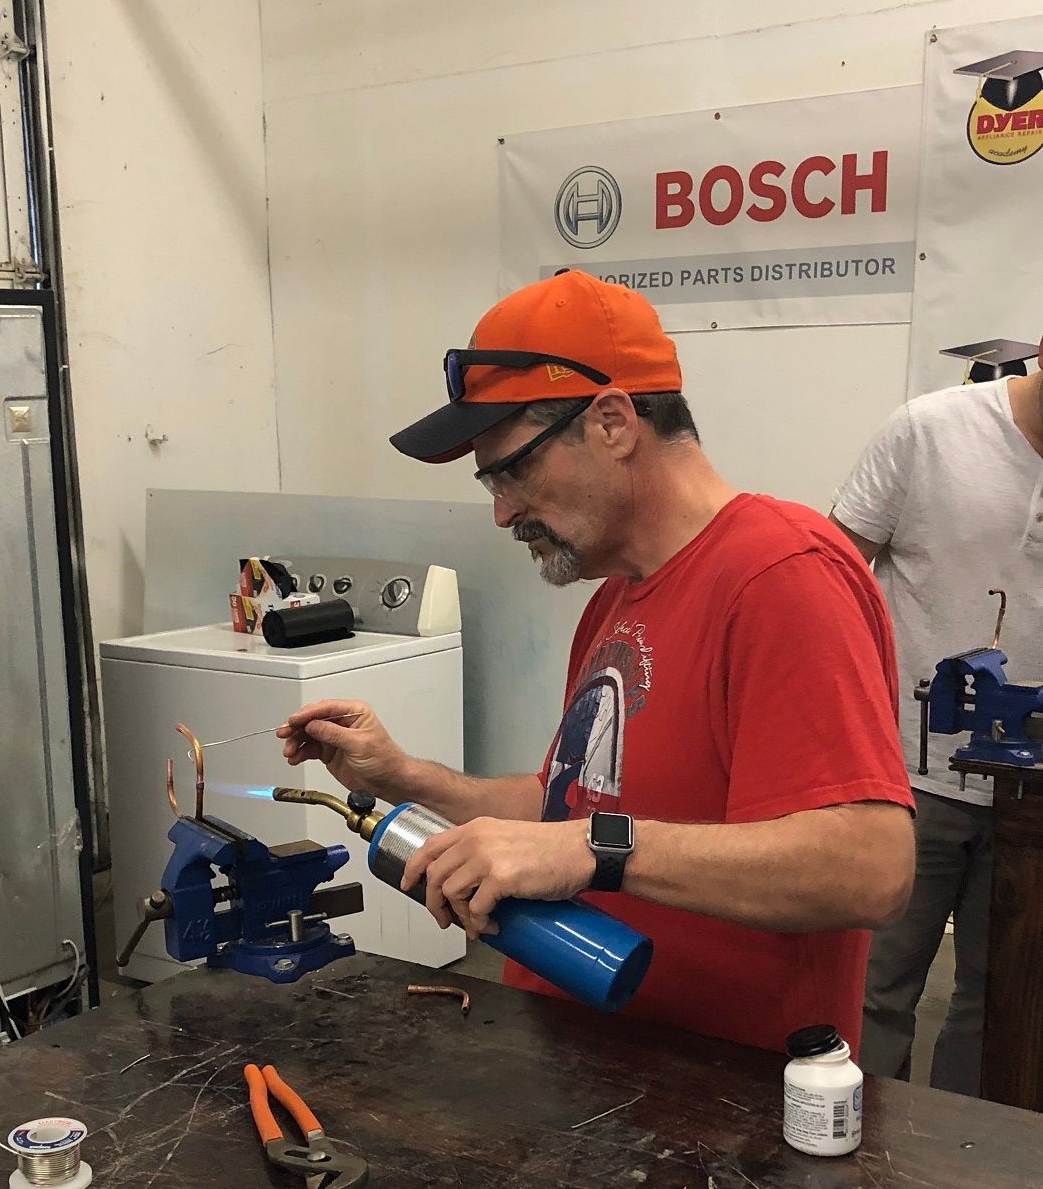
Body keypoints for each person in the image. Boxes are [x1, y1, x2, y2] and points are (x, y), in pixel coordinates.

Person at [278, 272, 915, 1054]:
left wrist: (592, 850)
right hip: (588, 1072)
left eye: (513, 469)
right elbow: (570, 810)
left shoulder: (780, 575)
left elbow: (870, 865)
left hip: (720, 1106)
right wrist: (405, 777)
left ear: (613, 421)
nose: (502, 510)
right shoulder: (613, 600)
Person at [831, 338, 1043, 1093]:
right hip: (906, 784)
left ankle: (962, 1175)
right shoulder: (930, 433)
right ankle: (850, 1162)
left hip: (1032, 803)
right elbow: (829, 584)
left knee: (1005, 1007)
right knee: (874, 993)